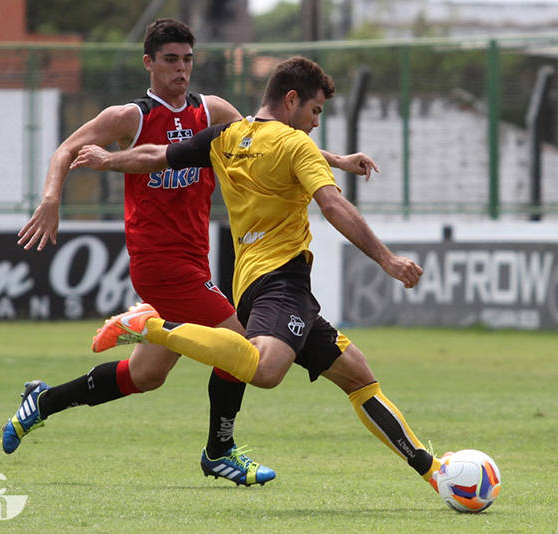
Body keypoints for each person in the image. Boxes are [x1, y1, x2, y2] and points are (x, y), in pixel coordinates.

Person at [3, 19, 377, 487]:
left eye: (187, 60)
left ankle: (42, 401)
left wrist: (337, 160)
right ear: (149, 64)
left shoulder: (211, 110)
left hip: (194, 260)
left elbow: (268, 143)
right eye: (170, 60)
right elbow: (66, 150)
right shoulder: (130, 117)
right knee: (242, 347)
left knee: (146, 375)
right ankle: (219, 451)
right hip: (158, 263)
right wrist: (52, 199)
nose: (181, 69)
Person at [75, 56, 447, 494]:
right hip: (281, 282)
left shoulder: (228, 136)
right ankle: (152, 327)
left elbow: (157, 156)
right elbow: (332, 204)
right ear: (291, 101)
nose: (314, 123)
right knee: (267, 371)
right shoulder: (294, 145)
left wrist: (106, 160)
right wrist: (387, 259)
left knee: (359, 376)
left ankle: (434, 472)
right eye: (314, 111)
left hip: (257, 286)